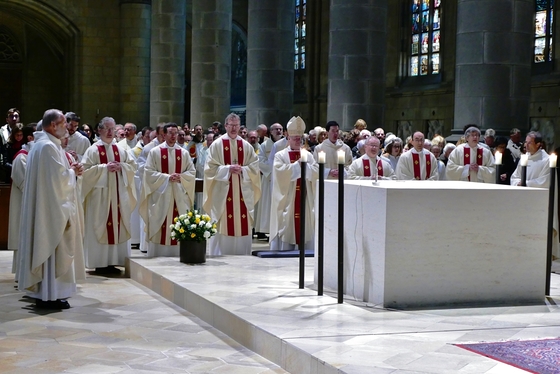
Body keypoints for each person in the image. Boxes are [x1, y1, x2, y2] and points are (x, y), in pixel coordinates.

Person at [18, 109, 86, 309]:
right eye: (63, 123)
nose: (67, 127)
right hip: (49, 211)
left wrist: (73, 171)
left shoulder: (46, 145)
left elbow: (59, 175)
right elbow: (57, 181)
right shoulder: (47, 147)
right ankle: (48, 295)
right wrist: (72, 173)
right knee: (49, 246)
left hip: (49, 207)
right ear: (52, 125)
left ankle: (51, 294)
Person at [81, 117, 137, 274]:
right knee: (100, 225)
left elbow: (133, 166)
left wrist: (122, 167)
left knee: (118, 226)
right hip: (100, 198)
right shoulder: (92, 150)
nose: (110, 132)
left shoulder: (120, 149)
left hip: (118, 196)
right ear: (99, 130)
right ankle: (99, 262)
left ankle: (115, 261)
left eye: (112, 128)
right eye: (107, 128)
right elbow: (85, 173)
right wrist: (104, 168)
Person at [203, 113, 261, 256]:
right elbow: (209, 168)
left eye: (237, 125)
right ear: (226, 125)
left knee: (242, 223)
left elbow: (255, 168)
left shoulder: (246, 146)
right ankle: (219, 254)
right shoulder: (217, 145)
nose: (234, 128)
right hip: (223, 193)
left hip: (242, 192)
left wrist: (243, 170)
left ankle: (243, 256)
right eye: (231, 125)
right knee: (223, 222)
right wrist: (228, 169)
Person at [140, 123, 196, 257]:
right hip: (161, 196)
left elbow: (192, 172)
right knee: (160, 223)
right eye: (170, 133)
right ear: (163, 135)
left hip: (178, 196)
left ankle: (178, 253)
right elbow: (148, 172)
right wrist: (166, 178)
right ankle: (157, 254)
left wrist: (181, 177)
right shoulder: (155, 152)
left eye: (175, 133)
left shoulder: (183, 153)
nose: (173, 136)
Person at [269, 116, 318, 251]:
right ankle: (284, 249)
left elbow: (315, 171)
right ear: (288, 138)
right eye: (295, 138)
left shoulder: (308, 155)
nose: (298, 140)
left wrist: (306, 168)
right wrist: (297, 167)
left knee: (305, 221)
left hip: (304, 197)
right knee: (287, 222)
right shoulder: (281, 155)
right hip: (288, 198)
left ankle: (306, 250)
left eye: (300, 138)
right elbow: (279, 172)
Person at [8, 125, 34, 278]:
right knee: (22, 240)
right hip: (23, 205)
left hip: (30, 206)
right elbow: (26, 185)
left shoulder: (31, 155)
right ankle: (21, 274)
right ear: (30, 138)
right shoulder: (21, 157)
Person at [254, 123, 284, 240]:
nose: (278, 131)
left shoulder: (285, 143)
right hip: (269, 179)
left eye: (280, 129)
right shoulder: (264, 145)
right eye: (276, 129)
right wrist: (274, 170)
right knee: (268, 205)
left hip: (282, 179)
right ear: (270, 132)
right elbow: (260, 160)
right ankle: (267, 230)